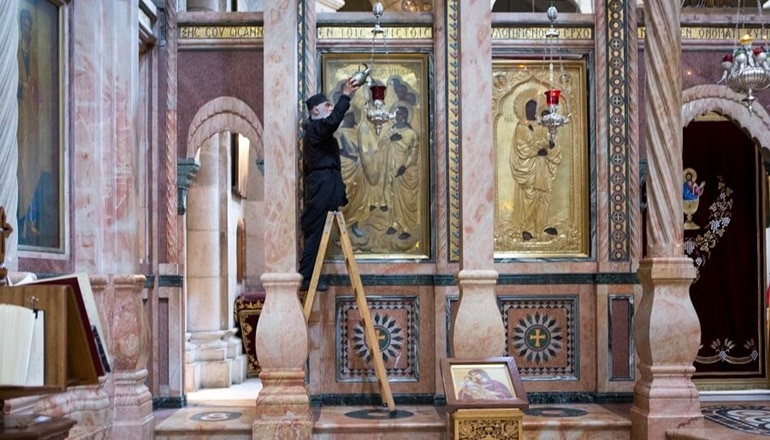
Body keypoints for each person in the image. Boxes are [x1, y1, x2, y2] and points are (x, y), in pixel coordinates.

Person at [298, 77, 360, 291]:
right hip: (323, 184)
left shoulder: (318, 131)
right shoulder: (316, 129)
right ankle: (307, 278)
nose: (331, 108)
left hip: (328, 183)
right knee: (316, 230)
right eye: (327, 105)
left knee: (318, 230)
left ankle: (309, 276)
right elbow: (332, 121)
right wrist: (346, 96)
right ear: (315, 111)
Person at [509, 96, 562, 241]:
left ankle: (541, 226)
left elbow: (552, 143)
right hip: (529, 169)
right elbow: (521, 147)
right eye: (529, 108)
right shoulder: (521, 127)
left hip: (543, 168)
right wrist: (536, 151)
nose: (531, 111)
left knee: (543, 197)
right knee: (530, 197)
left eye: (533, 108)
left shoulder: (542, 125)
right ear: (524, 110)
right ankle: (528, 228)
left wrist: (550, 146)